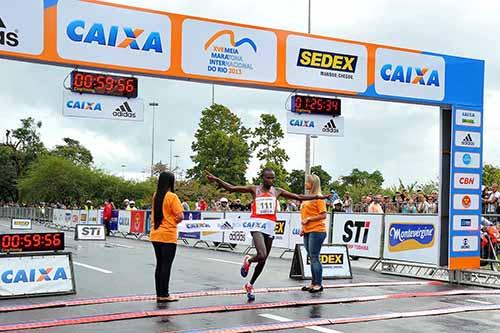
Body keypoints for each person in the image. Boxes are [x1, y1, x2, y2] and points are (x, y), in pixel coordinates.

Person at [207, 168, 329, 301]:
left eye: (273, 178)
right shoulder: (254, 189)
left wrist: (318, 196)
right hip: (256, 225)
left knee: (263, 260)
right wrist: (217, 180)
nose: (271, 181)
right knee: (262, 254)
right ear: (263, 178)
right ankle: (248, 261)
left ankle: (250, 284)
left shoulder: (277, 191)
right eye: (268, 178)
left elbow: (298, 197)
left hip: (270, 226)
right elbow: (232, 188)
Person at [149, 172, 184, 305]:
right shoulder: (172, 197)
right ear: (171, 182)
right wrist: (173, 222)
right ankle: (165, 294)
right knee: (166, 265)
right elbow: (180, 215)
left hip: (155, 233)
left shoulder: (156, 195)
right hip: (168, 235)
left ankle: (159, 294)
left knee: (159, 264)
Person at [299, 174, 328, 293]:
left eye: (307, 182)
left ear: (313, 184)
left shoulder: (319, 197)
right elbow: (304, 215)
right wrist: (303, 227)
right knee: (311, 257)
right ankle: (313, 282)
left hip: (317, 230)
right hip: (307, 230)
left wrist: (309, 219)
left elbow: (323, 215)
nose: (305, 184)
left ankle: (318, 284)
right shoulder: (307, 198)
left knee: (315, 257)